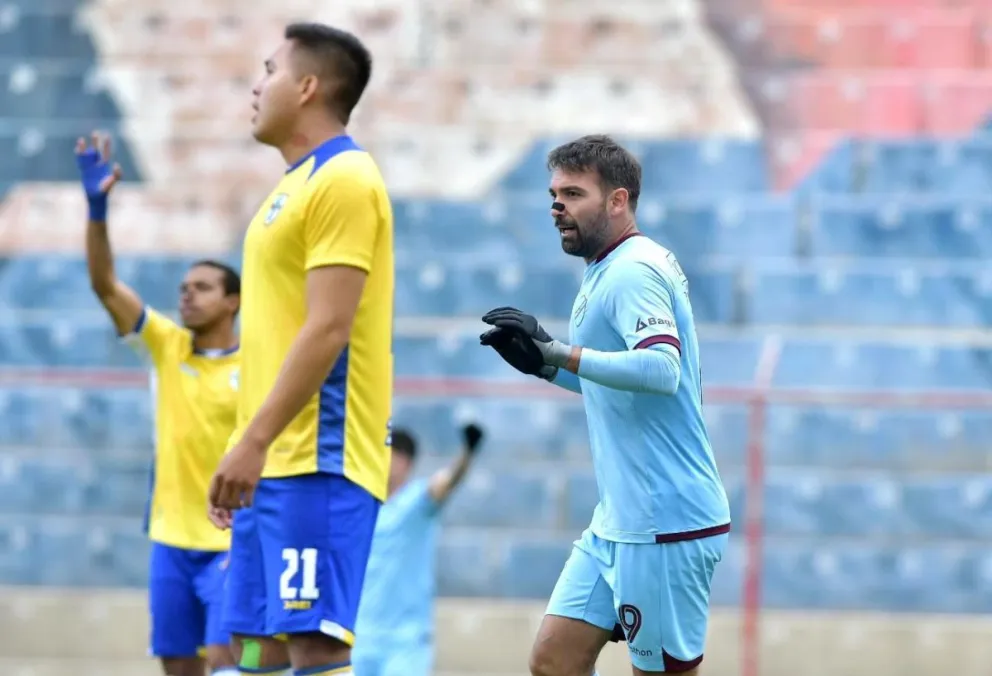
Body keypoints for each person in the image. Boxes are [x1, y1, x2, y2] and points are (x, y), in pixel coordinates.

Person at [480, 134, 730, 676]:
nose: (557, 207)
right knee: (554, 661)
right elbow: (618, 378)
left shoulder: (633, 270)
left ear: (618, 200)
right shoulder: (608, 266)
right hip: (619, 520)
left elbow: (661, 370)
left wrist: (562, 353)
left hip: (664, 522)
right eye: (554, 194)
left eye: (573, 193)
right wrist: (545, 364)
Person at [206, 22, 393, 676]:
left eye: (269, 70)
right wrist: (247, 449)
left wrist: (253, 441)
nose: (257, 86)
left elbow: (328, 328)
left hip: (320, 455)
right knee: (253, 648)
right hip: (270, 465)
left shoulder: (344, 178)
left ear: (308, 86)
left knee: (315, 647)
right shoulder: (287, 190)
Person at [76, 132, 241, 676]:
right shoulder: (167, 345)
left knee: (227, 661)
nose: (186, 294)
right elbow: (103, 284)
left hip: (230, 543)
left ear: (233, 301)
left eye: (202, 287)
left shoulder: (258, 365)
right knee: (178, 669)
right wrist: (97, 210)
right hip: (170, 541)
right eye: (183, 287)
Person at [351, 423, 485, 676]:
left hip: (405, 641)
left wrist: (467, 453)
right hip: (361, 637)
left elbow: (447, 482)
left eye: (390, 454)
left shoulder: (416, 503)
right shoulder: (363, 507)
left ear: (404, 462)